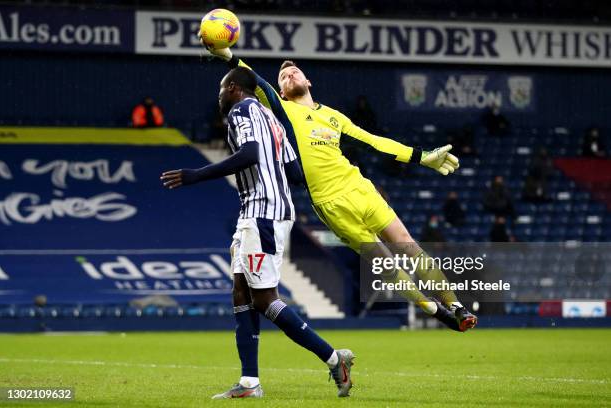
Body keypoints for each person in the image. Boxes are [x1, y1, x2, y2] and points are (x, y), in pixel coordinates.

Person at [205, 46, 477, 333]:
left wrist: (420, 156)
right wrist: (230, 57)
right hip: (329, 203)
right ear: (281, 92)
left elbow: (373, 141)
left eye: (295, 71)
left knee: (407, 244)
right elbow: (256, 81)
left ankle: (456, 306)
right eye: (283, 76)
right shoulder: (283, 110)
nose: (290, 75)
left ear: (308, 81)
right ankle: (435, 310)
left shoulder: (334, 117)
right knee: (385, 265)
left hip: (359, 188)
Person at [160, 67, 354, 399]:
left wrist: (196, 175)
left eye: (221, 90)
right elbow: (294, 172)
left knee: (265, 299)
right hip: (265, 210)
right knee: (241, 292)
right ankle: (249, 383)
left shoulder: (242, 109)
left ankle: (334, 358)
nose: (219, 97)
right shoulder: (272, 118)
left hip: (262, 211)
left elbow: (250, 153)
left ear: (233, 88)